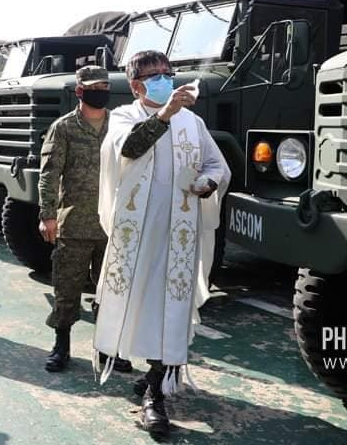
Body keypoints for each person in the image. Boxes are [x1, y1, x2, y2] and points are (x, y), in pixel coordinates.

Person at [93, 50, 230, 437]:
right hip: (138, 238)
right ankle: (146, 372)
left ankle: (155, 390)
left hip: (179, 236)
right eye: (155, 76)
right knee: (139, 306)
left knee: (170, 309)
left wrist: (209, 182)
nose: (165, 80)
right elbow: (130, 148)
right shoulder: (124, 116)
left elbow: (217, 164)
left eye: (168, 73)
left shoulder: (194, 122)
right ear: (136, 85)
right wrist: (165, 113)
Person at [37, 66, 132, 374]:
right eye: (94, 86)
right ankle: (61, 346)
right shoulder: (64, 127)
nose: (101, 91)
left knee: (111, 291)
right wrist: (47, 215)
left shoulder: (120, 125)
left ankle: (108, 350)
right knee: (67, 289)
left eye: (105, 85)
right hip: (74, 222)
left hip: (112, 225)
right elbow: (49, 175)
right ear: (80, 91)